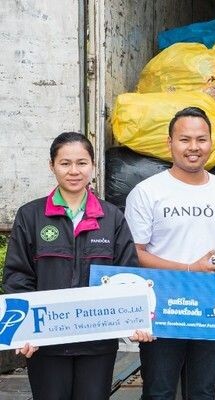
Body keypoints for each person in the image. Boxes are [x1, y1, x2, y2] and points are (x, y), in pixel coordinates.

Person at [3, 131, 150, 400]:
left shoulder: (112, 217)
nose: (74, 171)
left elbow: (128, 275)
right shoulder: (31, 215)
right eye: (65, 163)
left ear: (93, 166)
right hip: (45, 344)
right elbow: (18, 276)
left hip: (97, 345)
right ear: (52, 166)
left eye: (82, 163)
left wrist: (137, 317)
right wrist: (21, 331)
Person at [125, 107, 215, 400]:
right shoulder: (147, 191)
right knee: (159, 392)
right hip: (162, 308)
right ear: (170, 143)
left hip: (210, 308)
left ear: (211, 143)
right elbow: (134, 253)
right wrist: (189, 269)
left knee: (203, 392)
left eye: (201, 139)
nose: (193, 147)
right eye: (184, 139)